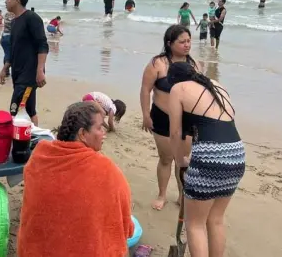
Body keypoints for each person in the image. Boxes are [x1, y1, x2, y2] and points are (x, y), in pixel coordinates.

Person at [18, 102, 133, 257]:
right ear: (82, 134)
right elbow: (126, 227)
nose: (104, 132)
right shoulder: (106, 170)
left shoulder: (39, 158)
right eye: (99, 128)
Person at [166, 62, 245, 257]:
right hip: (236, 153)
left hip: (209, 156)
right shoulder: (216, 85)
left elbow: (175, 132)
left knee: (195, 225)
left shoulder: (178, 88)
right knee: (216, 219)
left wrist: (180, 161)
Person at [140, 24, 199, 210]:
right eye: (182, 42)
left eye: (189, 41)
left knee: (183, 160)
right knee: (166, 158)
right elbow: (145, 90)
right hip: (162, 118)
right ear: (169, 43)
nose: (187, 45)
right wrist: (145, 114)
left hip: (187, 120)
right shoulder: (157, 63)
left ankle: (182, 196)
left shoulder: (193, 65)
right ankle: (162, 194)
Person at [0, 0, 49, 126]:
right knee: (30, 109)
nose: (5, 1)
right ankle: (34, 137)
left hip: (29, 74)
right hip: (18, 72)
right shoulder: (14, 22)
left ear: (17, 0)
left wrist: (40, 71)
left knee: (14, 109)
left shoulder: (32, 18)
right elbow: (13, 50)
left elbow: (43, 45)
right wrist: (5, 68)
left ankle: (16, 141)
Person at [0, 11, 15, 77]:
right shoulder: (15, 15)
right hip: (9, 37)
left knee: (7, 54)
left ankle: (6, 71)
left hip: (4, 37)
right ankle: (5, 71)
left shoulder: (7, 14)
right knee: (10, 55)